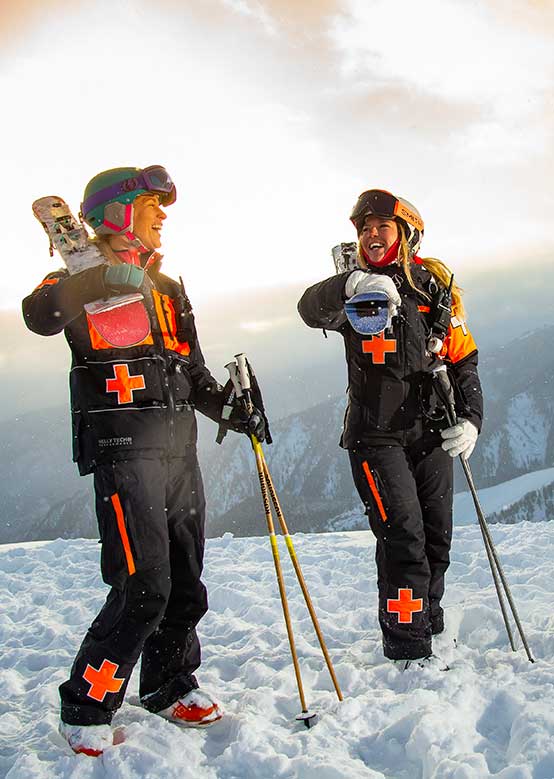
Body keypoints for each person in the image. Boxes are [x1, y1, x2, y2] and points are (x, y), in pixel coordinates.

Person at [22, 166, 265, 756]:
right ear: (117, 214)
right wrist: (102, 276)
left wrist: (234, 410)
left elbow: (193, 373)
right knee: (143, 584)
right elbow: (40, 314)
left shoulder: (169, 290)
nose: (163, 216)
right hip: (123, 447)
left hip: (178, 447)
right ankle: (86, 702)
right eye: (152, 204)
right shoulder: (77, 279)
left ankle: (167, 683)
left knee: (185, 580)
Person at [298, 188, 482, 670]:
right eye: (363, 229)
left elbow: (463, 357)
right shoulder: (357, 287)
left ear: (405, 233)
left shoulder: (433, 288)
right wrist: (347, 286)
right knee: (404, 537)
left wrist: (472, 419)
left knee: (437, 536)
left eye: (381, 226)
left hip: (433, 432)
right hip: (375, 436)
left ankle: (429, 623)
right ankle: (407, 648)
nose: (371, 235)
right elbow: (310, 309)